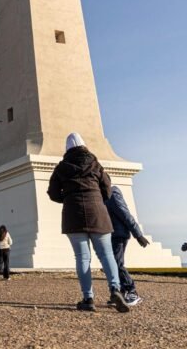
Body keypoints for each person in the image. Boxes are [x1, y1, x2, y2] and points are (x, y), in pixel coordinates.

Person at [47, 133, 130, 313]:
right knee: (106, 255)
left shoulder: (61, 168)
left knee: (82, 257)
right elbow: (107, 189)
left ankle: (88, 298)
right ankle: (115, 290)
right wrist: (96, 198)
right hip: (98, 214)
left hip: (73, 215)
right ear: (84, 146)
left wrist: (69, 199)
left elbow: (53, 193)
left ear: (67, 149)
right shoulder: (95, 165)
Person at [104, 185, 150, 306]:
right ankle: (122, 293)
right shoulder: (102, 195)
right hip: (110, 234)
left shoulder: (112, 193)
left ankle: (131, 291)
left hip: (118, 234)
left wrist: (138, 235)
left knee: (116, 264)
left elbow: (125, 214)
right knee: (113, 264)